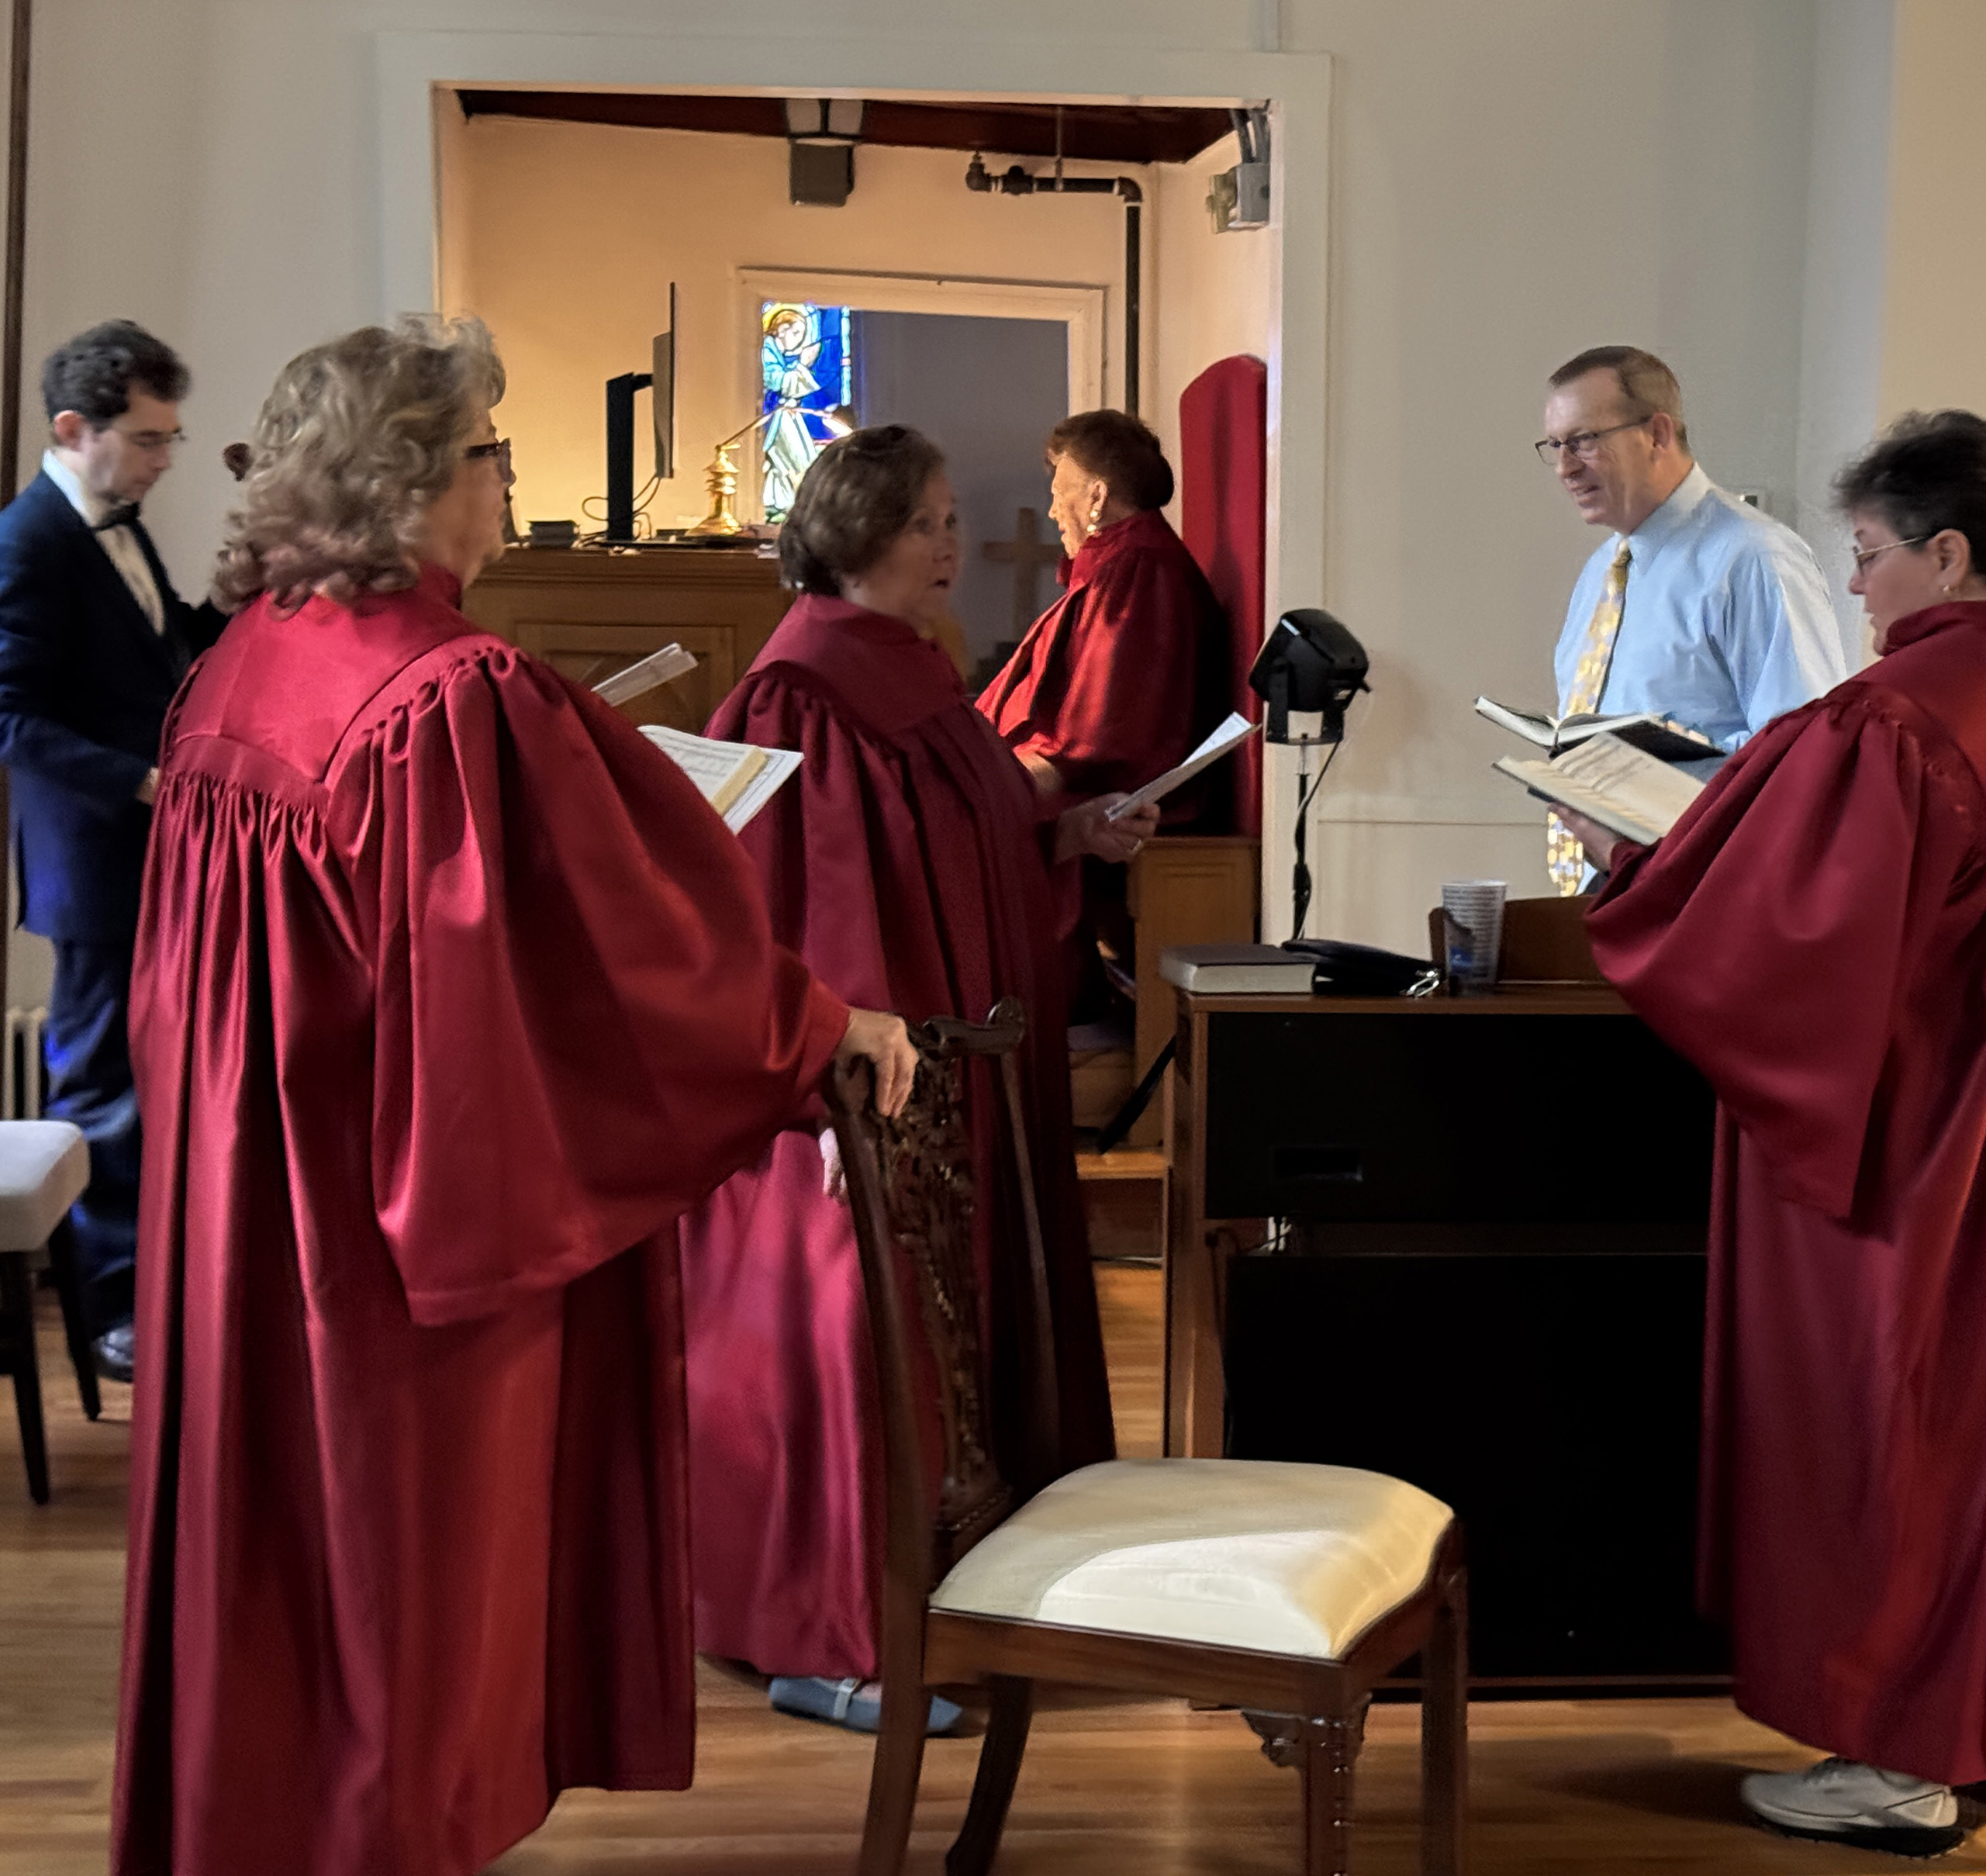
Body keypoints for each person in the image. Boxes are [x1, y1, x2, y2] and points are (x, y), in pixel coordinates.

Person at [110, 316, 920, 1876]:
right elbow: (618, 962)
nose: (508, 479)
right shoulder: (447, 693)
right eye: (493, 451)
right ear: (415, 476)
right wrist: (816, 1024)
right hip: (385, 1249)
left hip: (242, 1211)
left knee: (265, 1566)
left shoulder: (236, 668)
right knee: (397, 1596)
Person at [1564, 410, 1986, 1855]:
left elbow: (1782, 925)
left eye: (1868, 552)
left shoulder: (1897, 715)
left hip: (1934, 1141)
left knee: (1904, 1418)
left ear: (1946, 553)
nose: (1853, 583)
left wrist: (1631, 863)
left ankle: (1900, 1759)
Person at [682, 424, 1142, 1729]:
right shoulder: (797, 693)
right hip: (863, 1095)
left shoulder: (913, 667)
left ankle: (979, 1589)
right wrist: (838, 1087)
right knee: (858, 1329)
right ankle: (834, 1633)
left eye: (946, 518)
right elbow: (805, 903)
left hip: (956, 1071)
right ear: (858, 533)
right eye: (928, 521)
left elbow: (956, 842)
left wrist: (1069, 831)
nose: (952, 541)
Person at [0, 320, 230, 1382]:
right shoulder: (22, 545)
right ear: (75, 429)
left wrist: (229, 608)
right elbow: (4, 718)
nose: (166, 459)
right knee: (103, 1093)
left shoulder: (122, 525)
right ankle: (110, 1313)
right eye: (150, 438)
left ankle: (149, 1293)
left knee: (146, 1082)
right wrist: (142, 780)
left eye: (170, 437)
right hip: (93, 869)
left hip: (149, 856)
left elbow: (160, 658)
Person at [1538, 345, 1850, 890]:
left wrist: (1658, 787)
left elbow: (1802, 753)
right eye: (1556, 445)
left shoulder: (1753, 559)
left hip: (1702, 889)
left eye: (1585, 440)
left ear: (1657, 434)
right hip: (1609, 887)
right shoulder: (1603, 571)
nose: (1566, 467)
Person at [978, 408, 1235, 827]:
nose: (1052, 511)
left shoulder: (1140, 570)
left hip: (1113, 797)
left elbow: (1103, 739)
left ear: (1097, 497)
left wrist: (1001, 781)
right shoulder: (1119, 562)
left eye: (1059, 494)